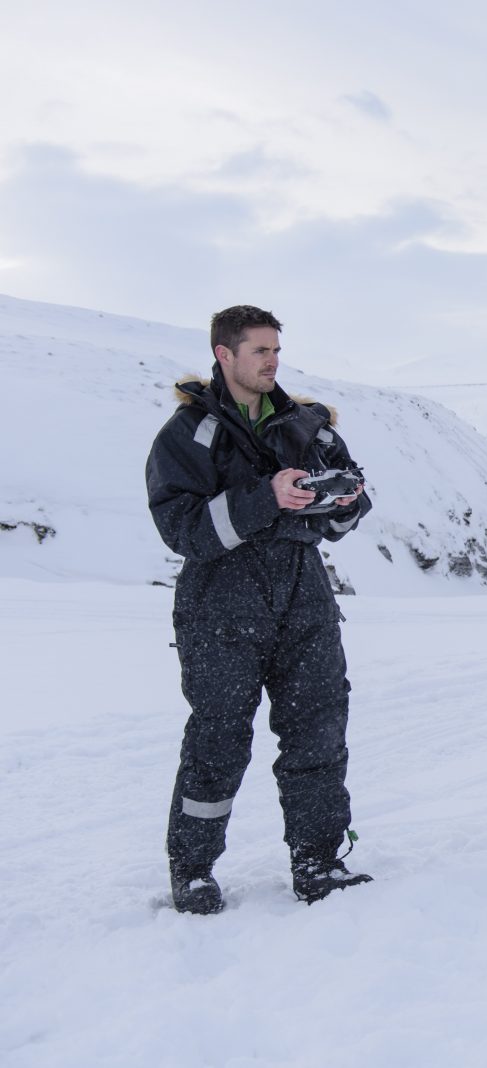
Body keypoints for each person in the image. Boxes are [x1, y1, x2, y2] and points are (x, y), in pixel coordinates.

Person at [146, 305, 374, 913]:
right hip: (222, 605)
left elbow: (346, 513)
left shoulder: (309, 426)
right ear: (225, 355)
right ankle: (192, 870)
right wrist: (264, 497)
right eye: (260, 351)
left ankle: (318, 862)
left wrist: (344, 501)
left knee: (318, 734)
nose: (273, 362)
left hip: (304, 598)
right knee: (218, 741)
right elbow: (182, 529)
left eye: (277, 350)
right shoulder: (188, 435)